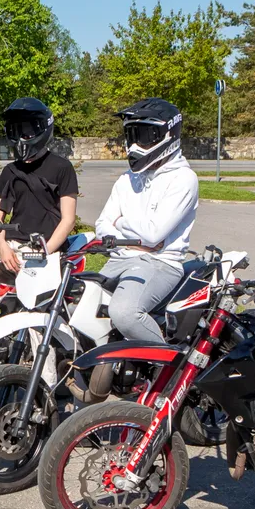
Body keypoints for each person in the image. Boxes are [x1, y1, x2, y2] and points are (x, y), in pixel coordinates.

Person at [93, 98, 200, 343]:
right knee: (82, 306)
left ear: (167, 134)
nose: (134, 145)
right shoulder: (127, 178)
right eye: (131, 136)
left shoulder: (183, 179)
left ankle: (166, 368)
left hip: (160, 263)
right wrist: (132, 237)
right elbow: (101, 225)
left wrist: (119, 223)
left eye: (143, 136)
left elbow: (153, 236)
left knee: (124, 313)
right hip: (121, 259)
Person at [0, 97, 78, 270]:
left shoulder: (62, 167)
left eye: (27, 131)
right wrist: (3, 248)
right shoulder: (10, 171)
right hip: (10, 244)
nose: (21, 138)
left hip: (44, 246)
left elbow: (68, 220)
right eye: (16, 131)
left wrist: (44, 251)